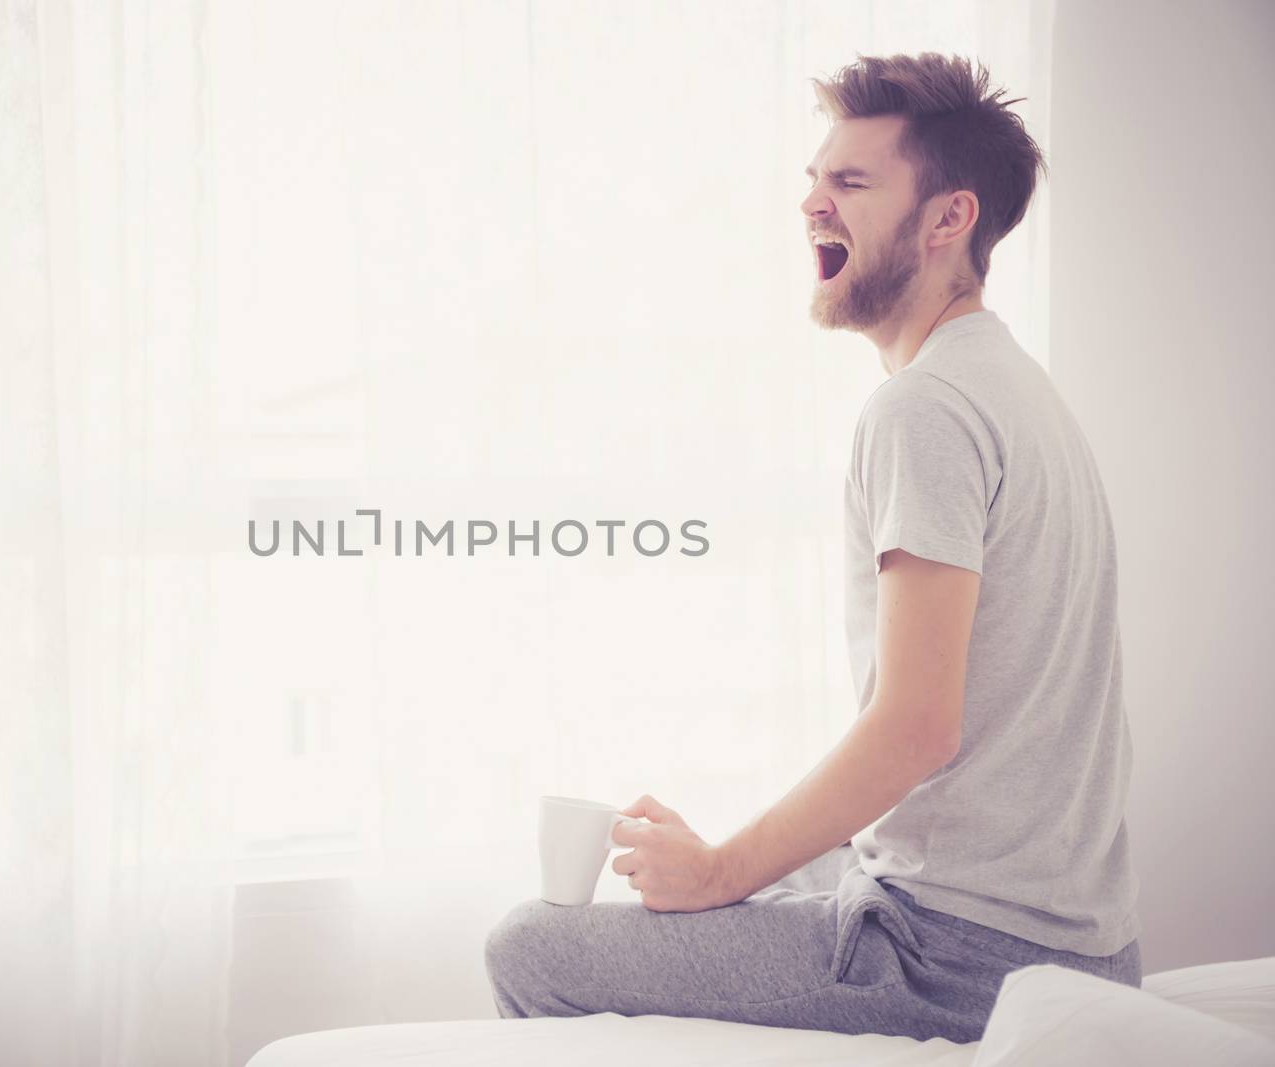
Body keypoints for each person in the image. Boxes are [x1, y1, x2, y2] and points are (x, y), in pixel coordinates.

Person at [483, 51, 1141, 1045]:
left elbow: (917, 728)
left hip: (959, 957)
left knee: (530, 943)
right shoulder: (1011, 386)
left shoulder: (925, 408)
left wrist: (715, 873)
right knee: (746, 875)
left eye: (849, 182)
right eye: (812, 178)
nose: (812, 204)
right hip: (1064, 942)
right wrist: (730, 866)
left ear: (947, 219)